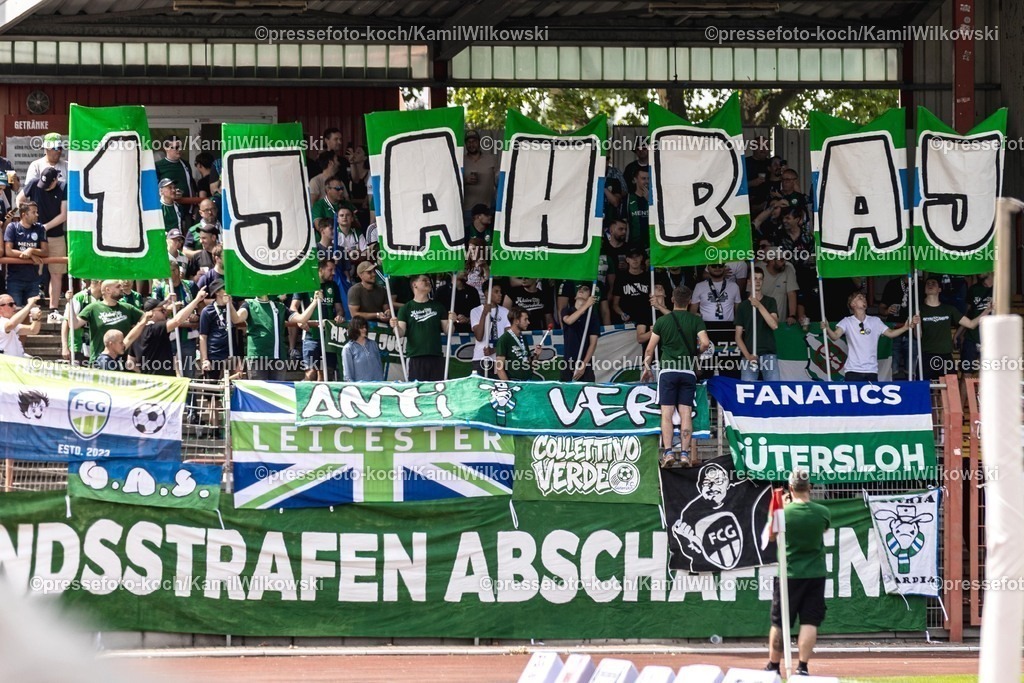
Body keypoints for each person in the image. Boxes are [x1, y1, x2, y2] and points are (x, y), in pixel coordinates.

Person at [765, 469, 831, 678]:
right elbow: (823, 531)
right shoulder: (822, 512)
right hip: (815, 573)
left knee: (779, 622)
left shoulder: (783, 513)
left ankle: (774, 666)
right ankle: (802, 667)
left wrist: (779, 509)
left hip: (789, 574)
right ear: (809, 487)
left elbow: (772, 536)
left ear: (791, 488)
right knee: (810, 621)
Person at [641, 286, 710, 468]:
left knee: (667, 413)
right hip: (687, 372)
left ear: (672, 299)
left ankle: (669, 452)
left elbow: (649, 348)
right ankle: (686, 454)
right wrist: (696, 353)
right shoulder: (695, 320)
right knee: (686, 413)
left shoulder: (663, 321)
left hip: (667, 372)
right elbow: (705, 343)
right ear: (689, 302)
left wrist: (646, 367)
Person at [822, 292, 919, 382]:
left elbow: (890, 333)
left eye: (864, 297)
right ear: (852, 304)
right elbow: (835, 336)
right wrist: (827, 329)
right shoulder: (847, 321)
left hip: (871, 370)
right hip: (853, 370)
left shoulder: (875, 321)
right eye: (860, 298)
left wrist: (906, 328)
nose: (863, 299)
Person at [919, 275, 991, 380]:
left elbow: (971, 324)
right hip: (926, 355)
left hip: (946, 356)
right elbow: (918, 335)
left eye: (934, 283)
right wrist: (915, 323)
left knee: (951, 388)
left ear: (939, 289)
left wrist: (986, 311)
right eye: (928, 284)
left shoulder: (949, 309)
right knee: (925, 388)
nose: (930, 285)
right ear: (924, 290)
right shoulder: (918, 310)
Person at [235, 291, 317, 380]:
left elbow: (301, 318)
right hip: (257, 357)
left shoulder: (280, 306)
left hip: (279, 357)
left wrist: (315, 301)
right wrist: (229, 303)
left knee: (278, 390)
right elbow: (236, 319)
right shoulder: (249, 304)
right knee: (259, 392)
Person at [389, 274, 455, 382]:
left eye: (429, 280)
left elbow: (448, 331)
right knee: (416, 392)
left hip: (436, 356)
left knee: (437, 390)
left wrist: (451, 321)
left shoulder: (438, 306)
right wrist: (394, 326)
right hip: (415, 357)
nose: (428, 282)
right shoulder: (406, 308)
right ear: (414, 284)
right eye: (424, 280)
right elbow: (400, 333)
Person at [22, 167, 67, 319]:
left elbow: (63, 215)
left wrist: (44, 227)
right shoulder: (35, 183)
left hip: (55, 235)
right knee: (34, 269)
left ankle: (54, 309)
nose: (44, 187)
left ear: (55, 180)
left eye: (48, 184)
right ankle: (31, 305)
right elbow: (20, 199)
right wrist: (27, 219)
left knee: (56, 272)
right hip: (33, 235)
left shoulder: (63, 187)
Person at [129, 294, 207, 376]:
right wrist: (196, 300)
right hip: (164, 381)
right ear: (151, 314)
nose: (165, 312)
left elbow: (130, 362)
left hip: (148, 382)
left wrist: (144, 374)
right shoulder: (155, 329)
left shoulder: (136, 333)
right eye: (162, 311)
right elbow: (177, 320)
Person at [72, 280, 144, 366]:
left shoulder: (128, 308)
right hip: (99, 361)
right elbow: (75, 325)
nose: (121, 289)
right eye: (118, 287)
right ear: (108, 290)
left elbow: (147, 318)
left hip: (123, 361)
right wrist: (70, 304)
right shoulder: (93, 308)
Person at [735, 267, 781, 381]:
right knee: (747, 392)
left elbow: (774, 325)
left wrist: (759, 305)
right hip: (749, 354)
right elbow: (738, 337)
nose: (758, 281)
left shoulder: (770, 301)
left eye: (760, 279)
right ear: (749, 282)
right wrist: (748, 356)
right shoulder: (743, 306)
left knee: (774, 391)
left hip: (768, 354)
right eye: (755, 278)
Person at [4, 201, 48, 305]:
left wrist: (31, 250)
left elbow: (45, 251)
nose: (37, 215)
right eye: (34, 212)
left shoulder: (40, 228)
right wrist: (31, 254)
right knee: (15, 313)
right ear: (24, 214)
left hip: (33, 280)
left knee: (32, 314)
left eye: (37, 212)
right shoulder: (12, 227)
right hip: (14, 280)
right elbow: (8, 251)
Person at [560, 284, 600, 382]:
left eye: (585, 289)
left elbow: (593, 343)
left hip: (584, 363)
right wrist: (586, 305)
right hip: (568, 362)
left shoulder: (592, 317)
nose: (581, 290)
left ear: (591, 297)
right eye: (579, 289)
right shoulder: (567, 310)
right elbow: (569, 320)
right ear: (575, 296)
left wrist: (584, 365)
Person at [469, 282, 509, 377]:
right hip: (480, 357)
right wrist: (484, 314)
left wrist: (494, 350)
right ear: (487, 293)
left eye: (500, 292)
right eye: (496, 291)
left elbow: (508, 338)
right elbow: (479, 337)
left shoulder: (505, 312)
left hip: (499, 357)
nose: (500, 294)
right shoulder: (475, 311)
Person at [495, 306, 539, 382]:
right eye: (525, 319)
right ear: (516, 321)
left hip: (527, 382)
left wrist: (537, 355)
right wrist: (509, 386)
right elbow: (499, 368)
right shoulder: (504, 339)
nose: (528, 322)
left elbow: (530, 366)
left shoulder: (523, 337)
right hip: (514, 382)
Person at [342, 317, 385, 382]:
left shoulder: (373, 344)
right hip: (361, 389)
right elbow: (348, 375)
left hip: (378, 386)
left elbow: (379, 366)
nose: (365, 329)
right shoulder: (348, 348)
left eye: (365, 327)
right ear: (354, 328)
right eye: (361, 327)